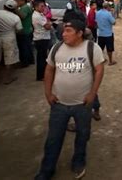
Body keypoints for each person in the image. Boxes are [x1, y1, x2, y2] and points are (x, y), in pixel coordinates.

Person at [35, 19, 105, 180]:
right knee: (53, 138)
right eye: (63, 30)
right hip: (59, 104)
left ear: (80, 33)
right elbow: (49, 70)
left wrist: (92, 93)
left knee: (82, 135)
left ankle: (78, 162)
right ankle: (47, 170)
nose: (63, 34)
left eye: (68, 31)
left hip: (83, 104)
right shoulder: (57, 48)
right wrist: (48, 93)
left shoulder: (91, 48)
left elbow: (99, 70)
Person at [0, 0, 22, 84]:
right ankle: (8, 78)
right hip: (9, 38)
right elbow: (19, 29)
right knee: (9, 58)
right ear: (14, 9)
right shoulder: (15, 17)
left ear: (4, 6)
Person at [33, 0, 52, 81]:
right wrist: (49, 24)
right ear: (36, 7)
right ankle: (40, 76)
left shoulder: (40, 15)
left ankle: (42, 74)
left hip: (43, 37)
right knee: (41, 58)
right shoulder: (37, 16)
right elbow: (47, 26)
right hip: (41, 38)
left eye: (44, 6)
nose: (43, 8)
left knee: (43, 57)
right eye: (41, 6)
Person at [15, 0, 35, 68]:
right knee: (28, 46)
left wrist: (16, 10)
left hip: (24, 30)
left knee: (24, 47)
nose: (17, 2)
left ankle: (25, 62)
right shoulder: (27, 6)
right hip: (28, 29)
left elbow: (23, 16)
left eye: (18, 1)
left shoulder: (24, 8)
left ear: (23, 1)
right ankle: (30, 60)